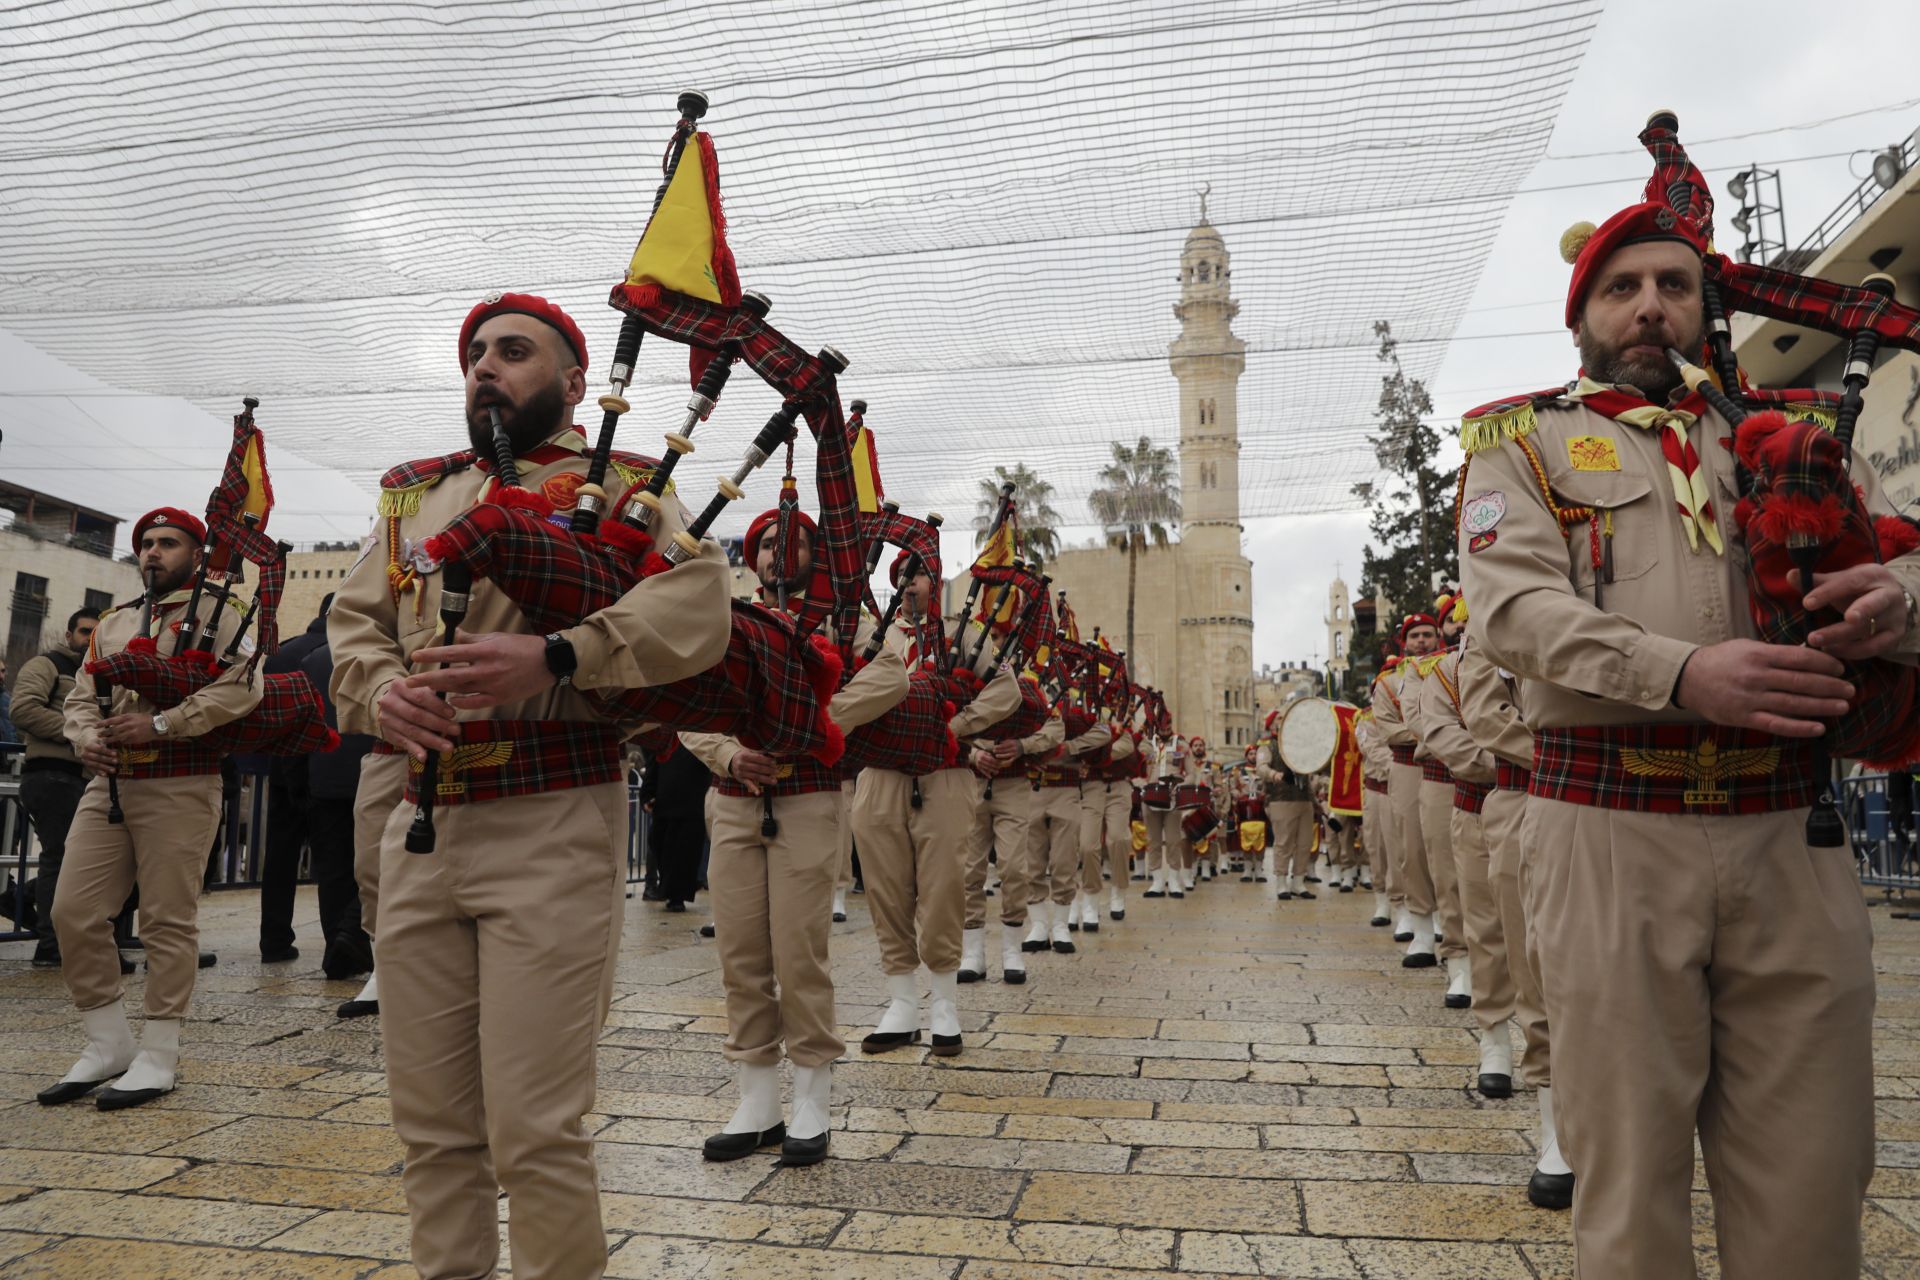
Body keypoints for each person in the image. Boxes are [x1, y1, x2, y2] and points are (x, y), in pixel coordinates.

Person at [1460, 193, 1920, 1278]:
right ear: (1584, 317)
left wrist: (1898, 600)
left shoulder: (1795, 439)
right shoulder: (1518, 442)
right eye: (1622, 288)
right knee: (1628, 1185)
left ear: (1706, 306)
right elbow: (1514, 612)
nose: (1651, 308)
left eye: (1674, 285)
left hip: (1790, 834)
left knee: (1817, 1176)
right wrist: (1682, 671)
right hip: (1612, 832)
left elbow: (1903, 549)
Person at [329, 293, 733, 1280]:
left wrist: (560, 654)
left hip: (552, 812)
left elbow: (698, 604)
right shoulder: (412, 495)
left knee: (535, 1128)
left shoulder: (632, 486)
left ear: (573, 382)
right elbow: (353, 627)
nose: (485, 367)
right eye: (474, 353)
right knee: (432, 1128)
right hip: (418, 823)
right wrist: (380, 693)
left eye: (513, 351)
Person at [681, 506, 906, 1167]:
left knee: (799, 954)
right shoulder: (725, 614)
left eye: (796, 542)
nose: (782, 553)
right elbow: (682, 698)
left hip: (807, 798)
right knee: (742, 957)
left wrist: (804, 722)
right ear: (753, 558)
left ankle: (812, 1097)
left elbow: (891, 675)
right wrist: (728, 753)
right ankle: (757, 1101)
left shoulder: (843, 620)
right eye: (770, 544)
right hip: (733, 800)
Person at [41, 510, 263, 1110]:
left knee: (167, 920)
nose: (152, 553)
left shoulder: (228, 615)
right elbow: (83, 696)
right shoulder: (113, 623)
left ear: (197, 553)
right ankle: (108, 1041)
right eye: (145, 544)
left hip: (181, 779)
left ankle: (160, 1052)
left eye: (168, 543)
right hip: (109, 783)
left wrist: (163, 722)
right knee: (73, 912)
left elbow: (244, 686)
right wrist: (84, 737)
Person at [855, 553, 1019, 1055]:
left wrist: (954, 725)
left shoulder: (961, 634)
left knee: (945, 885)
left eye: (920, 574)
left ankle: (944, 1003)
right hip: (880, 775)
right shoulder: (871, 633)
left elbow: (1006, 688)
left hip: (944, 775)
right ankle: (902, 1003)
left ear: (937, 581)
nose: (911, 584)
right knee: (885, 889)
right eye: (903, 576)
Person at [1458, 629, 1569, 1209]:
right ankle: (1556, 1130)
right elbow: (1486, 715)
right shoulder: (1490, 628)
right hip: (1526, 795)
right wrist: (1577, 750)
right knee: (1528, 956)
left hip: (1624, 798)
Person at [11, 608, 100, 967]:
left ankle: (30, 910)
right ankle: (51, 946)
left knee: (84, 864)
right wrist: (81, 734)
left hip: (83, 778)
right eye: (84, 631)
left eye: (95, 635)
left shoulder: (94, 674)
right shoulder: (46, 664)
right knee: (60, 860)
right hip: (52, 774)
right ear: (69, 634)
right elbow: (22, 710)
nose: (88, 639)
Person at [960, 676, 1057, 984]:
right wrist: (975, 754)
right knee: (968, 871)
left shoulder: (1026, 685)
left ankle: (1011, 949)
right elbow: (945, 727)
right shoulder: (967, 677)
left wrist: (1023, 745)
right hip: (972, 784)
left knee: (1014, 867)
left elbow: (1057, 728)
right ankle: (972, 953)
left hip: (1013, 784)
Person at [1370, 614, 1446, 966]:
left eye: (1428, 634)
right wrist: (1439, 732)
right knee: (1411, 846)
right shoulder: (1387, 685)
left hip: (1451, 766)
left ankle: (1451, 918)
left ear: (1438, 636)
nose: (1422, 641)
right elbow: (1389, 730)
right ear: (1404, 641)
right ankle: (1422, 927)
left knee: (1449, 848)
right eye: (1414, 635)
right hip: (1409, 768)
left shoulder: (1453, 671)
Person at [638, 735, 710, 912]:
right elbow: (654, 765)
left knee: (684, 855)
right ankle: (669, 890)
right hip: (665, 807)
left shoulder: (700, 739)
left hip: (691, 808)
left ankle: (676, 896)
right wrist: (647, 795)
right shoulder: (667, 740)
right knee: (660, 846)